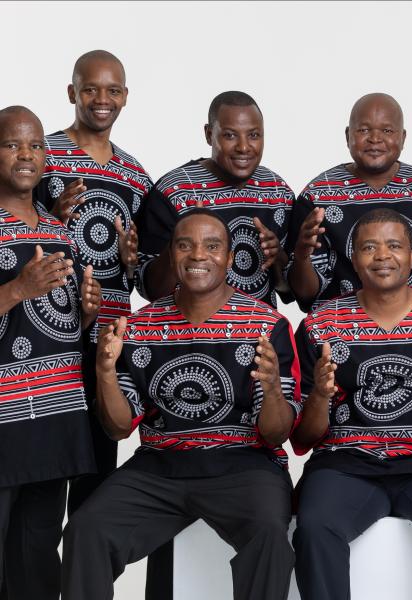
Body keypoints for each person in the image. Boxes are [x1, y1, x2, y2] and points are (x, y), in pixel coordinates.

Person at [62, 209, 300, 600]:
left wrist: (273, 387)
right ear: (171, 255)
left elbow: (276, 433)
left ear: (228, 256)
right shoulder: (139, 327)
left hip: (244, 466)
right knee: (86, 528)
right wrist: (105, 371)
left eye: (212, 246)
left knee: (271, 537)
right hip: (159, 469)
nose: (197, 256)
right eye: (185, 245)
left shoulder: (266, 325)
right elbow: (120, 427)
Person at [291, 208, 412, 600]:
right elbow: (306, 435)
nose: (383, 256)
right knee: (314, 526)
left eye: (394, 245)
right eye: (369, 247)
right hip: (346, 463)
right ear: (354, 258)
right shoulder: (321, 324)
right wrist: (319, 397)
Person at [33, 49, 154, 513]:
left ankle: (82, 580)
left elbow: (146, 276)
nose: (101, 99)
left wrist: (130, 261)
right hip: (46, 335)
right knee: (41, 478)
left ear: (125, 97)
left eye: (113, 90)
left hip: (108, 337)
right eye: (90, 89)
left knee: (96, 473)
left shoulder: (135, 175)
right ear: (72, 93)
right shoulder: (42, 153)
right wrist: (52, 217)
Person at [0, 106, 99, 599]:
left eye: (36, 145)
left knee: (37, 553)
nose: (26, 155)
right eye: (13, 144)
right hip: (3, 418)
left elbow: (58, 326)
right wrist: (17, 289)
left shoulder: (58, 230)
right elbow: (20, 299)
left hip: (53, 416)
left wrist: (83, 313)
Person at [287, 93, 412, 313]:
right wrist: (301, 257)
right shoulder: (317, 197)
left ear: (403, 137)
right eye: (364, 130)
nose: (375, 138)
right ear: (348, 136)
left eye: (387, 130)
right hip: (341, 333)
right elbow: (305, 295)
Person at [138, 91, 293, 308]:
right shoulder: (175, 191)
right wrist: (181, 239)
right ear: (209, 134)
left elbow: (291, 291)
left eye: (254, 135)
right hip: (184, 335)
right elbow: (150, 289)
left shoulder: (277, 192)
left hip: (256, 334)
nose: (243, 147)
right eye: (230, 135)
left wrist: (278, 257)